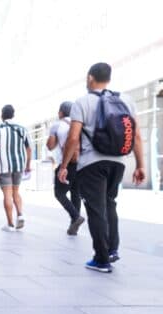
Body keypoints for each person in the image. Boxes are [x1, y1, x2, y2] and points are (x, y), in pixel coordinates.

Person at [58, 62, 146, 273]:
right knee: (109, 203)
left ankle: (101, 259)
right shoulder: (126, 100)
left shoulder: (82, 102)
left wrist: (64, 165)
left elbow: (73, 138)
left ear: (90, 78)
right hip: (118, 162)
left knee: (96, 208)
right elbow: (137, 136)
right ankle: (113, 249)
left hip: (92, 163)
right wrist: (140, 165)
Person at [0, 105, 32, 232]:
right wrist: (28, 165)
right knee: (16, 192)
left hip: (3, 166)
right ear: (13, 114)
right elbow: (29, 149)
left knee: (7, 194)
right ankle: (20, 214)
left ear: (2, 115)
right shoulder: (22, 130)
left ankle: (10, 224)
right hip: (19, 165)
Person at [47, 101, 85, 235]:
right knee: (76, 194)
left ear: (60, 112)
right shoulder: (80, 123)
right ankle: (73, 226)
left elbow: (50, 146)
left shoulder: (57, 124)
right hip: (83, 164)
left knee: (59, 193)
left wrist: (54, 135)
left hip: (68, 163)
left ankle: (75, 217)